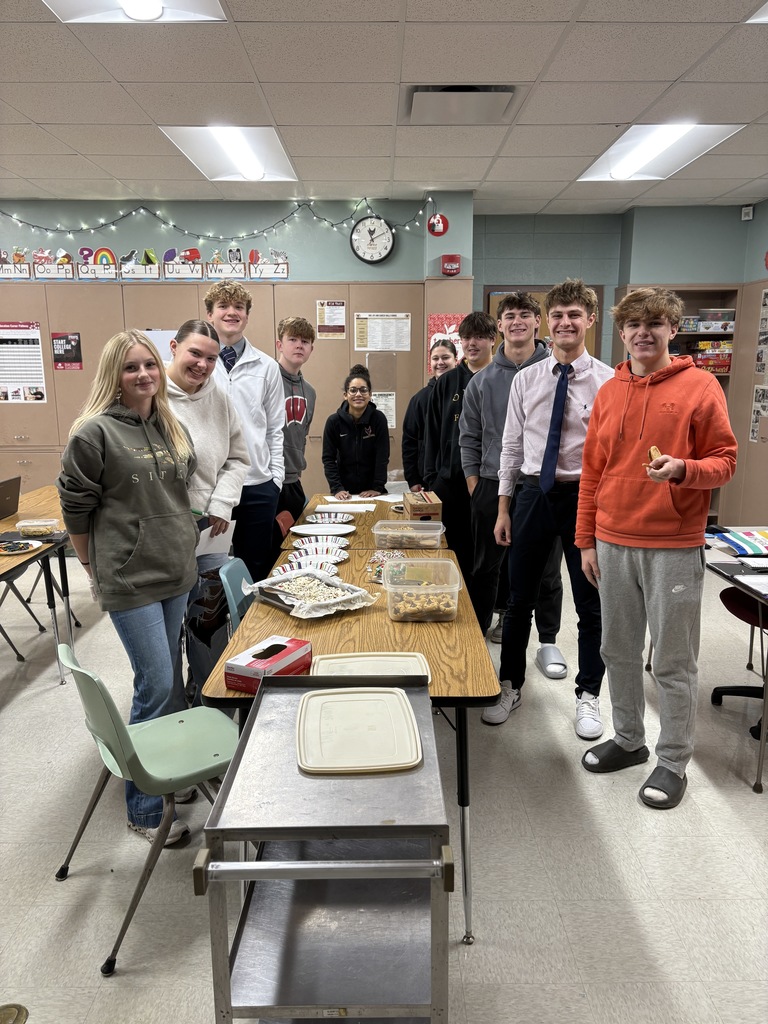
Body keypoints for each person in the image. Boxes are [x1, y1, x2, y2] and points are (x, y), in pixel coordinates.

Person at [576, 287, 737, 808]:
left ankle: (673, 761)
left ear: (672, 328)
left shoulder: (700, 385)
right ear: (621, 332)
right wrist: (585, 540)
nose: (643, 333)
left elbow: (726, 460)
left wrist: (685, 470)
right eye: (633, 325)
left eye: (655, 323)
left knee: (671, 661)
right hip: (612, 541)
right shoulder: (609, 390)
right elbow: (592, 472)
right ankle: (628, 740)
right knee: (617, 650)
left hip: (672, 544)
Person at [57, 330, 199, 846]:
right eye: (131, 367)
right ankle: (143, 807)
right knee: (155, 683)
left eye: (150, 366)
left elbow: (176, 490)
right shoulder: (93, 433)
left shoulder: (166, 424)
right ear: (113, 375)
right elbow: (75, 508)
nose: (143, 375)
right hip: (129, 577)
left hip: (175, 569)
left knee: (172, 679)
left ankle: (171, 776)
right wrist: (92, 567)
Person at [489, 280, 613, 739]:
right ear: (549, 320)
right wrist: (504, 508)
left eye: (574, 315)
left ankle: (588, 696)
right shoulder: (528, 379)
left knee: (590, 602)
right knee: (518, 598)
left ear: (589, 320)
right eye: (558, 314)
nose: (565, 323)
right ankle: (511, 685)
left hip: (585, 497)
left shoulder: (608, 381)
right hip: (531, 494)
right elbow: (511, 446)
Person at [459, 294, 566, 675]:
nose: (517, 321)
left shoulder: (556, 371)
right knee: (486, 567)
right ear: (499, 326)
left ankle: (549, 641)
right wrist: (476, 485)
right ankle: (478, 633)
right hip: (490, 484)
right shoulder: (482, 381)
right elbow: (468, 437)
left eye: (525, 315)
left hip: (542, 485)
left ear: (537, 323)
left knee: (548, 570)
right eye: (509, 316)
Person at [165, 319, 250, 703]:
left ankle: (207, 697)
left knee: (209, 622)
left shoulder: (219, 398)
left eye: (211, 358)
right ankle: (173, 706)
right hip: (166, 534)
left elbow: (237, 457)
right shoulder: (151, 396)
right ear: (174, 347)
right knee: (168, 630)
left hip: (212, 530)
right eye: (194, 354)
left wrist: (221, 503)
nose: (202, 365)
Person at [205, 280, 285, 582]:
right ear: (210, 315)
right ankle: (210, 630)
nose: (231, 312)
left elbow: (275, 428)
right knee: (208, 572)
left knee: (255, 569)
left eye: (239, 307)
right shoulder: (198, 365)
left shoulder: (266, 366)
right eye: (223, 306)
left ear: (247, 316)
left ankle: (252, 628)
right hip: (209, 486)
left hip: (257, 485)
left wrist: (275, 479)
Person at [423, 312, 495, 580]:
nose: (471, 343)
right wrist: (432, 479)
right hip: (449, 484)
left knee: (485, 560)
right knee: (450, 553)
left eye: (478, 337)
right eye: (466, 337)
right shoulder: (447, 382)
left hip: (488, 483)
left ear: (492, 339)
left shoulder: (501, 379)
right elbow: (431, 435)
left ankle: (481, 617)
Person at [322, 364, 389, 499]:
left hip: (372, 491)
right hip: (344, 491)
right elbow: (329, 459)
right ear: (345, 395)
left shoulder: (378, 419)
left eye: (363, 390)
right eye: (353, 390)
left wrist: (377, 487)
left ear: (370, 394)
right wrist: (337, 488)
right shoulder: (333, 422)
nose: (358, 394)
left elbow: (382, 457)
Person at [275, 316, 317, 523]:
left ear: (311, 349)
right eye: (293, 339)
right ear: (279, 345)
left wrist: (297, 473)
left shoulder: (310, 392)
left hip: (293, 482)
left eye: (305, 341)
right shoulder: (265, 380)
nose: (299, 345)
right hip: (267, 482)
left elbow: (301, 436)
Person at [402, 339, 458, 491]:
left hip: (461, 477)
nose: (440, 362)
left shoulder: (466, 391)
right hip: (427, 480)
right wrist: (413, 479)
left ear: (456, 359)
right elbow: (409, 441)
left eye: (445, 357)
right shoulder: (419, 399)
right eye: (435, 358)